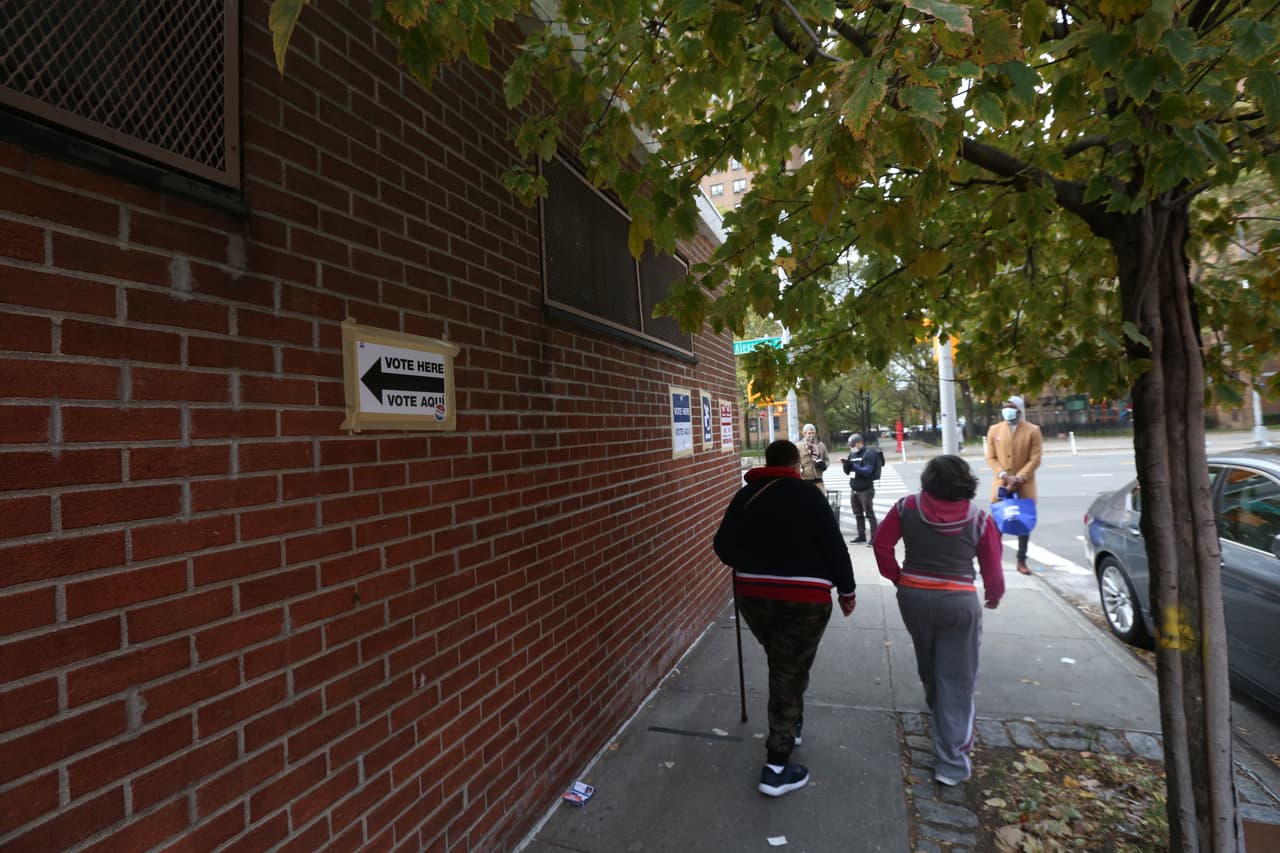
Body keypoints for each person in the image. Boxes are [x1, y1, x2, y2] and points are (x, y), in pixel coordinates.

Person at [713, 440, 857, 798]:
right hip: (804, 600)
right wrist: (847, 591)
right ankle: (776, 766)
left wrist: (753, 560)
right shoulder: (809, 496)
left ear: (768, 462)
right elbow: (833, 545)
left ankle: (791, 723)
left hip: (754, 597)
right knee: (788, 672)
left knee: (785, 666)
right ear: (795, 464)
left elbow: (723, 546)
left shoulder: (746, 496)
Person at [872, 454, 1004, 786]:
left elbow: (881, 544)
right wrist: (993, 594)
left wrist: (897, 577)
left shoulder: (906, 507)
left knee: (928, 659)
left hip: (913, 597)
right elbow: (993, 568)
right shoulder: (979, 519)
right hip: (958, 602)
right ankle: (951, 763)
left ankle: (937, 707)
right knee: (958, 678)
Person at [984, 395, 1043, 575]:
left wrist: (1020, 477)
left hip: (1024, 484)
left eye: (1011, 406)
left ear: (1019, 410)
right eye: (1005, 406)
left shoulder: (1033, 430)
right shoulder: (994, 430)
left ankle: (1021, 560)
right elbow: (991, 457)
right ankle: (994, 562)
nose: (1007, 410)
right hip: (1002, 484)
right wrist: (1004, 475)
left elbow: (1035, 458)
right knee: (997, 524)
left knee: (1023, 524)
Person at [842, 433, 883, 544]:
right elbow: (847, 472)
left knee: (869, 514)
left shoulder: (869, 454)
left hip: (866, 490)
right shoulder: (852, 454)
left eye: (853, 445)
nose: (851, 447)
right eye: (850, 445)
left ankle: (874, 538)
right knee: (858, 514)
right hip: (854, 489)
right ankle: (861, 536)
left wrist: (853, 466)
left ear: (860, 443)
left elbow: (867, 471)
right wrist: (846, 465)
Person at [798, 423, 829, 493]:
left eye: (813, 433)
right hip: (805, 479)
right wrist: (800, 469)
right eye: (809, 433)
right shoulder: (799, 446)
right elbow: (794, 462)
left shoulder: (820, 445)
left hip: (818, 478)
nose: (811, 435)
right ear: (804, 434)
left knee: (821, 497)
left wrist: (824, 465)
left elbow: (826, 459)